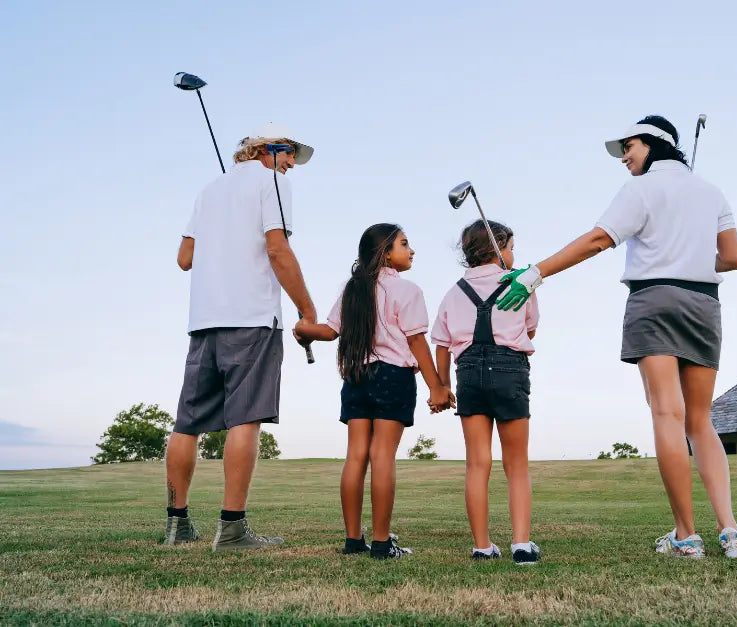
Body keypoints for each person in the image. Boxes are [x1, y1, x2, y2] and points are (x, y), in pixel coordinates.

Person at [497, 115, 737, 559]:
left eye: (629, 147)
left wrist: (537, 273)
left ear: (655, 143)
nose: (624, 158)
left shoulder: (640, 189)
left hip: (654, 300)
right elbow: (732, 258)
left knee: (667, 416)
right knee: (700, 421)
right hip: (703, 304)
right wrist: (689, 251)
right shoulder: (711, 192)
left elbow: (599, 239)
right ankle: (732, 533)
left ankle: (686, 537)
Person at [164, 122, 320, 552]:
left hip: (204, 321)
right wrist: (307, 310)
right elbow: (278, 250)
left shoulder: (209, 190)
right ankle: (231, 530)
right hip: (251, 317)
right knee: (245, 418)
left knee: (187, 423)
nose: (291, 163)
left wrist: (226, 236)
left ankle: (177, 526)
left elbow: (185, 258)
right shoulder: (273, 183)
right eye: (289, 152)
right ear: (264, 150)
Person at [293, 223, 453, 559]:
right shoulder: (407, 290)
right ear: (385, 253)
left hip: (356, 375)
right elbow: (416, 342)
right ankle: (381, 543)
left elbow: (329, 330)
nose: (411, 251)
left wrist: (305, 331)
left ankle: (353, 541)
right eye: (404, 244)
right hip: (393, 376)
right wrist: (436, 386)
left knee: (356, 457)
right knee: (382, 457)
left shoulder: (353, 289)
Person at [431, 220, 542, 565]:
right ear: (498, 248)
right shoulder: (521, 285)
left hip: (468, 374)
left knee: (477, 463)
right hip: (509, 369)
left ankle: (482, 546)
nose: (513, 254)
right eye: (510, 246)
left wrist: (444, 384)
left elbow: (442, 344)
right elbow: (531, 330)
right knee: (517, 464)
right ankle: (521, 545)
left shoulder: (453, 292)